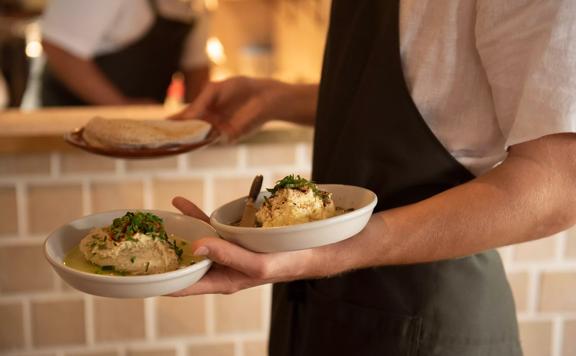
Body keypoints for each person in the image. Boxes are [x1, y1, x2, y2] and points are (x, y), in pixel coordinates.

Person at [169, 1, 576, 355]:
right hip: (324, 309)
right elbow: (444, 94)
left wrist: (335, 251)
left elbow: (559, 184)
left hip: (426, 321)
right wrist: (281, 99)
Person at [40, 0, 210, 106]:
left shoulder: (195, 8)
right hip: (70, 127)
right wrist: (120, 106)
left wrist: (197, 121)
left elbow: (196, 70)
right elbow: (60, 48)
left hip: (138, 135)